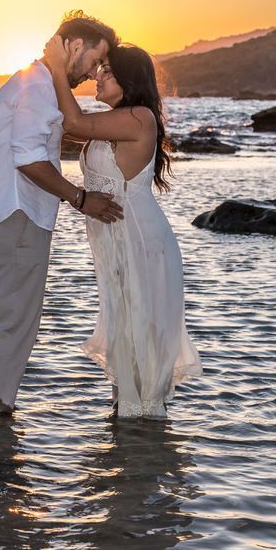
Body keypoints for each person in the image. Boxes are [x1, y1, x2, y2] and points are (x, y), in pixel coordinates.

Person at [42, 36, 202, 419]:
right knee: (127, 339)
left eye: (108, 71)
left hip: (140, 242)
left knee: (139, 340)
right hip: (117, 241)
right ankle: (134, 443)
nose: (97, 76)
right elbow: (70, 126)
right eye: (99, 68)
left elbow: (73, 121)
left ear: (130, 81)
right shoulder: (116, 122)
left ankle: (142, 448)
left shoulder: (139, 117)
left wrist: (56, 66)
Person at [0, 11, 122, 416]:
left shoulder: (35, 83)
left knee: (6, 322)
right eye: (94, 61)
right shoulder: (36, 87)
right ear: (74, 45)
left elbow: (62, 130)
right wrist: (79, 198)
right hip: (18, 216)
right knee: (16, 325)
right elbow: (30, 159)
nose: (93, 74)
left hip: (5, 216)